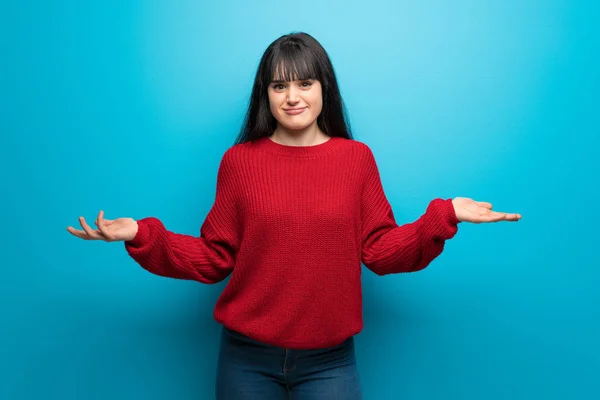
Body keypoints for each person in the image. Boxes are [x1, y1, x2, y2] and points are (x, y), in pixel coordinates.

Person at [67, 32, 521, 400]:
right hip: (246, 360)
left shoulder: (356, 159)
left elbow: (381, 252)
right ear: (266, 94)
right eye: (279, 85)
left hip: (330, 363)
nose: (292, 97)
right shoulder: (239, 162)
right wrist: (141, 235)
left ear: (324, 87)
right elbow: (214, 257)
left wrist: (445, 216)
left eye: (304, 83)